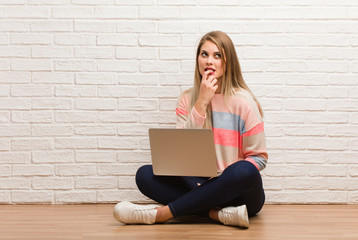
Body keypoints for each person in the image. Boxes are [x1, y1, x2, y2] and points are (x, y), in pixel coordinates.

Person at [113, 31, 268, 228]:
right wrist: (201, 103)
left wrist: (223, 178)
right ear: (197, 59)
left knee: (244, 170)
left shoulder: (244, 102)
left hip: (237, 192)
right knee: (144, 175)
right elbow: (181, 152)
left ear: (228, 61)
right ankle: (216, 214)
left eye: (217, 55)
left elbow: (259, 159)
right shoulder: (187, 99)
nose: (209, 61)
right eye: (204, 54)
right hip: (197, 182)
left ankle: (162, 214)